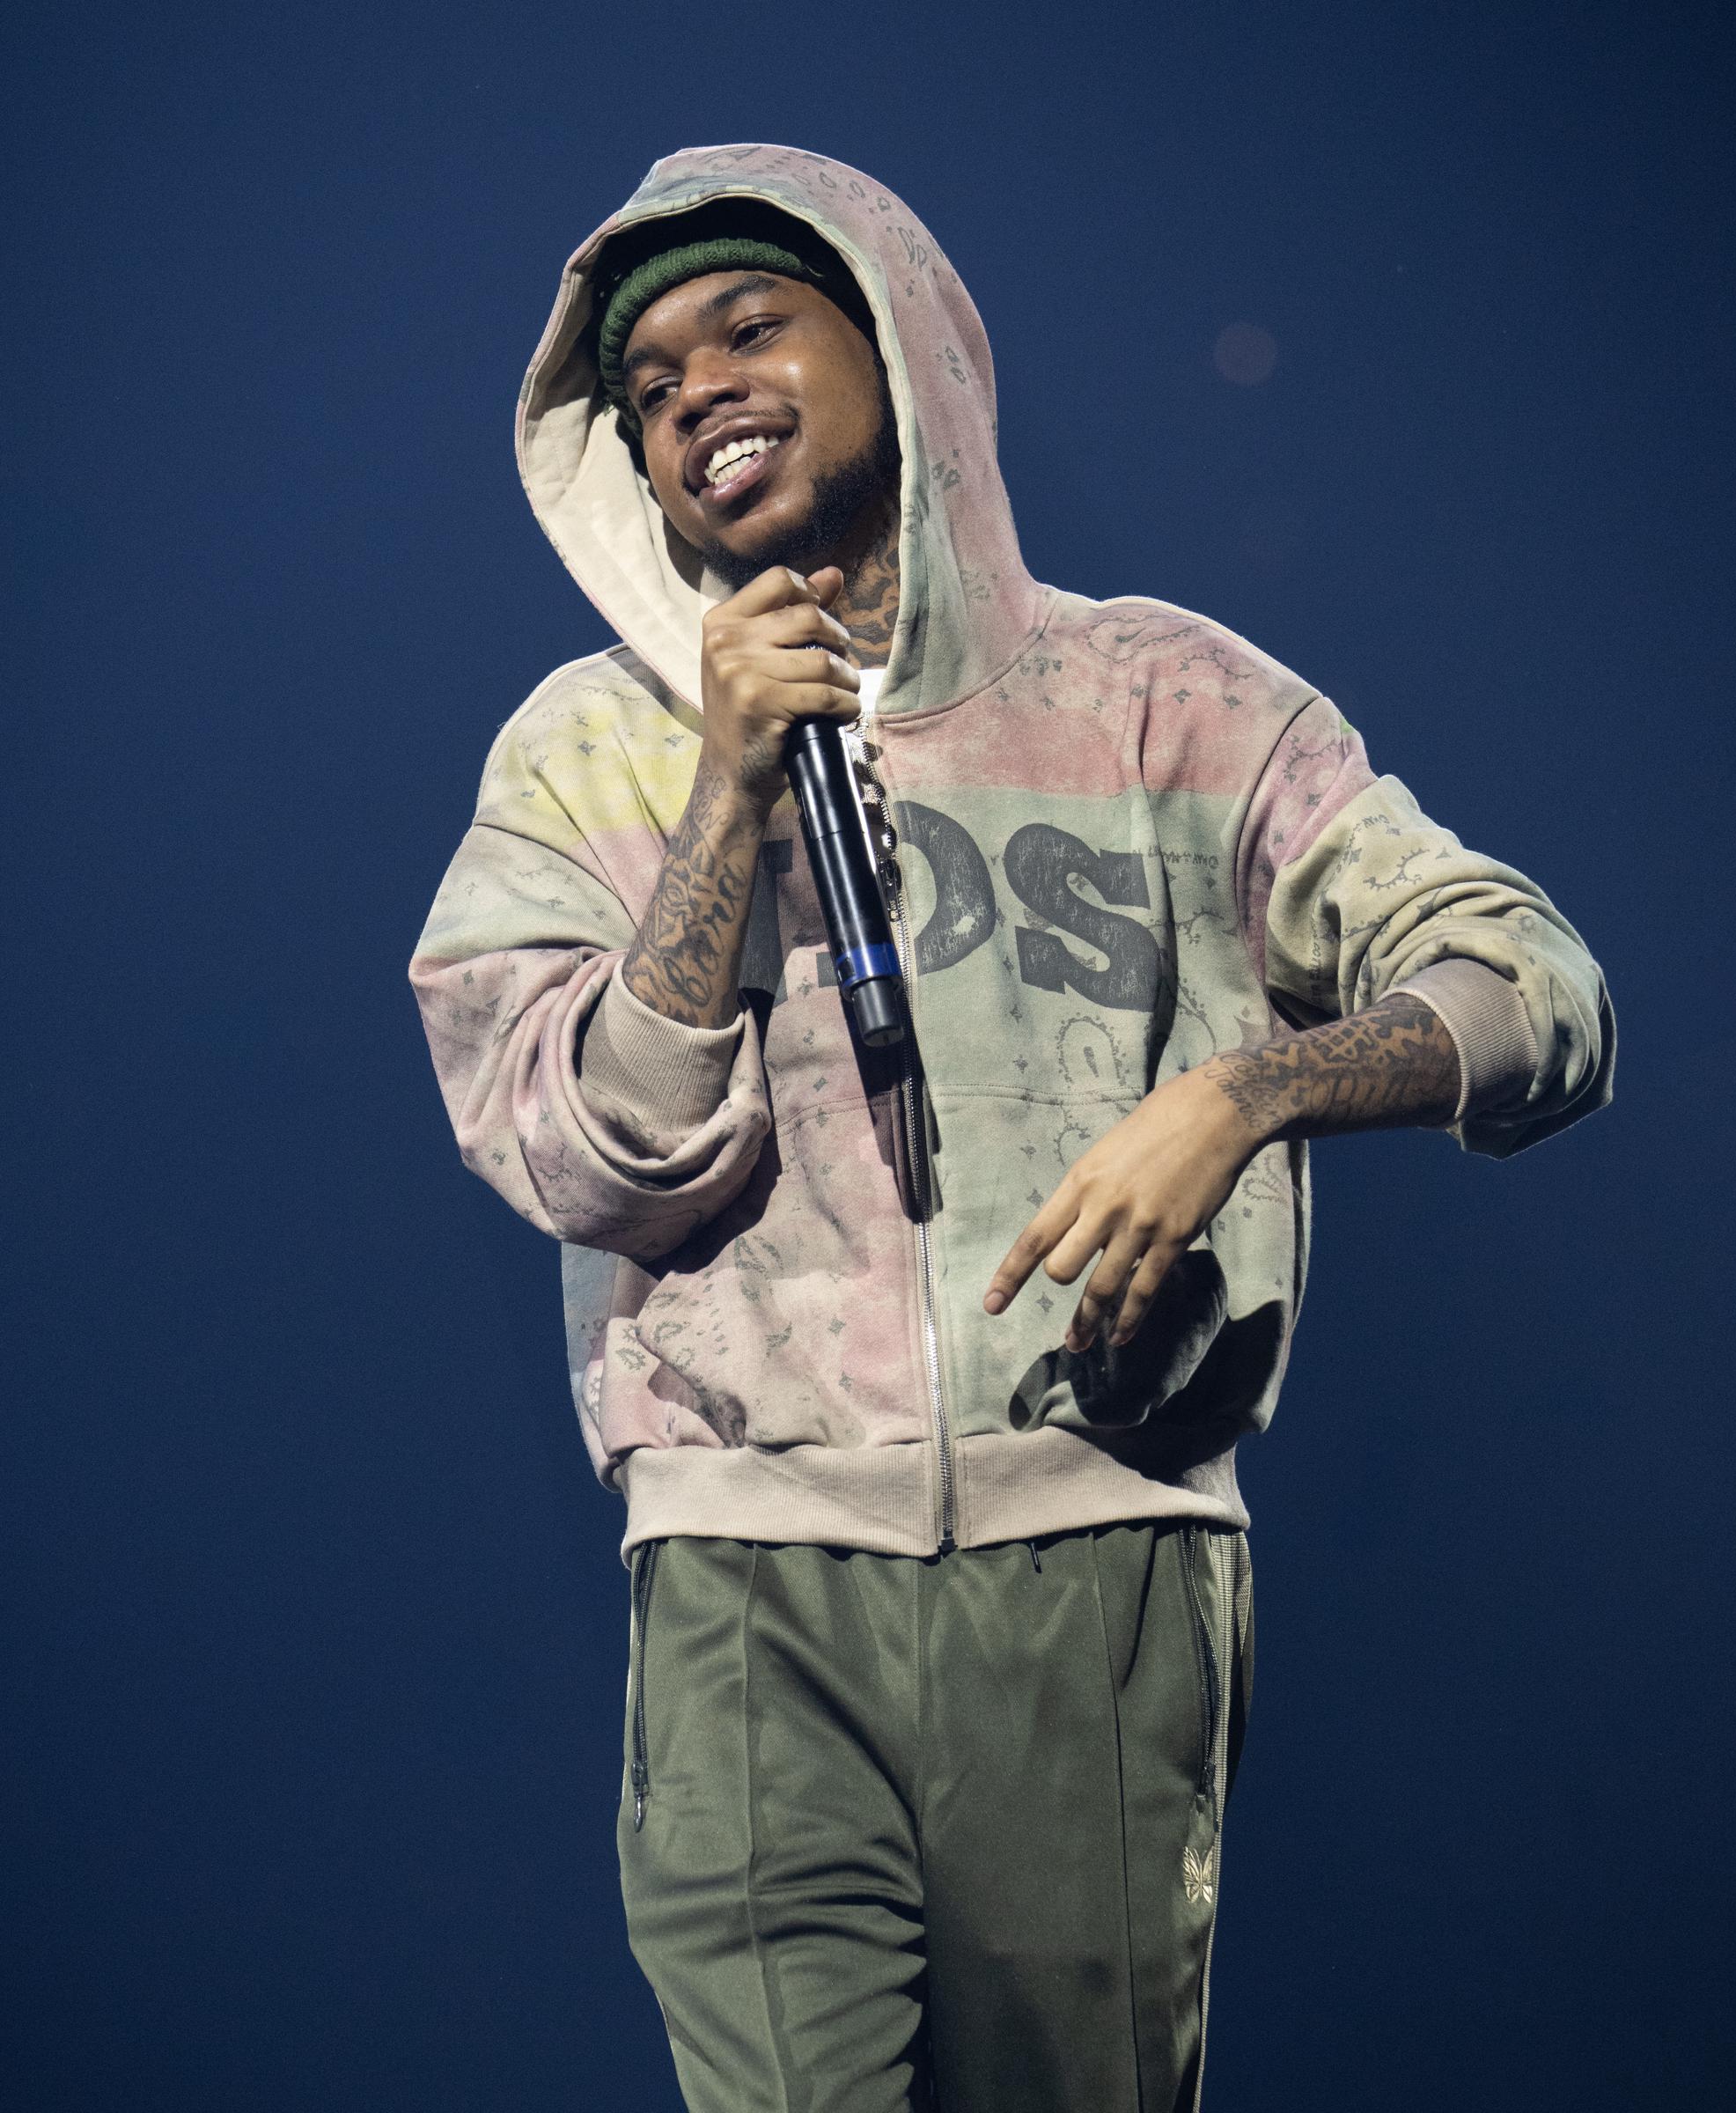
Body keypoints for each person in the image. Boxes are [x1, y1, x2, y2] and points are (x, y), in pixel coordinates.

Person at [409, 144, 1614, 2113]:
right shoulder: (584, 753)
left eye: (747, 324)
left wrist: (1237, 1096)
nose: (690, 387)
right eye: (640, 387)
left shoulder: (1166, 704)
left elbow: (1535, 991)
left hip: (1102, 1568)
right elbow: (583, 1155)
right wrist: (725, 796)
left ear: (895, 342)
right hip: (746, 1579)